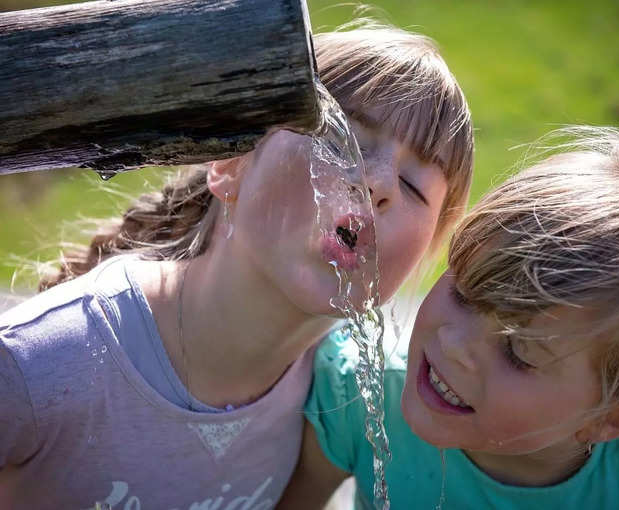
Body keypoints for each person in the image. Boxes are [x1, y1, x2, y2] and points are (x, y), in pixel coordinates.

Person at [0, 24, 474, 509]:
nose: (377, 185)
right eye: (341, 140)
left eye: (414, 186)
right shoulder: (40, 362)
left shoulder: (339, 401)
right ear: (230, 164)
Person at [279, 126, 619, 510]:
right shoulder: (362, 398)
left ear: (613, 418)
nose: (454, 344)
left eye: (518, 352)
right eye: (464, 293)